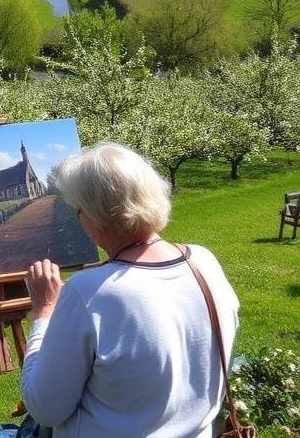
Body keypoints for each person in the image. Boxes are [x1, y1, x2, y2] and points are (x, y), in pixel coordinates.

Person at [21, 142, 240, 438]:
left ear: (97, 218)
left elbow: (44, 407)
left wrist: (44, 312)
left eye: (78, 210)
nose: (79, 219)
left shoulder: (89, 293)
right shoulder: (204, 263)